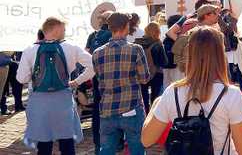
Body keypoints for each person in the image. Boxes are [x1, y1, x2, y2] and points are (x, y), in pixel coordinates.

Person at [141, 26, 242, 155]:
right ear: (220, 56)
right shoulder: (231, 94)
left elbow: (146, 139)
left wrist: (156, 103)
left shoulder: (172, 92)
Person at [17, 17, 95, 155]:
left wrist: (33, 77)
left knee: (44, 143)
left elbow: (21, 78)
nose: (65, 32)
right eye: (64, 29)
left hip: (39, 102)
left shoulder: (30, 50)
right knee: (67, 142)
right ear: (57, 29)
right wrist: (77, 81)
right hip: (63, 100)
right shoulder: (71, 47)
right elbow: (94, 65)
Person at [92, 12, 150, 155]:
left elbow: (99, 77)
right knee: (137, 149)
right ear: (126, 26)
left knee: (106, 150)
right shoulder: (136, 49)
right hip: (131, 106)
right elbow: (144, 78)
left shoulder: (97, 53)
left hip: (107, 108)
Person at [86, 10, 113, 155]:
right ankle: (113, 141)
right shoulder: (113, 34)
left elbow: (87, 54)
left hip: (96, 75)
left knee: (97, 107)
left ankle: (98, 143)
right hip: (111, 76)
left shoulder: (93, 35)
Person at [135, 22, 168, 113]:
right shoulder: (157, 44)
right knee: (156, 98)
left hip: (141, 73)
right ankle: (154, 116)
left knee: (143, 97)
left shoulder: (137, 43)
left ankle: (145, 115)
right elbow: (164, 62)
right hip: (156, 74)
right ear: (157, 31)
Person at [220, 9, 242, 91]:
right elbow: (228, 29)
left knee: (240, 70)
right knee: (233, 70)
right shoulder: (225, 18)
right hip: (231, 49)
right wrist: (234, 19)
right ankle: (235, 89)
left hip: (240, 47)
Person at [162, 14, 183, 89]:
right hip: (176, 66)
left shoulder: (165, 39)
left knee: (166, 86)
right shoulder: (178, 38)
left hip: (166, 66)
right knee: (177, 86)